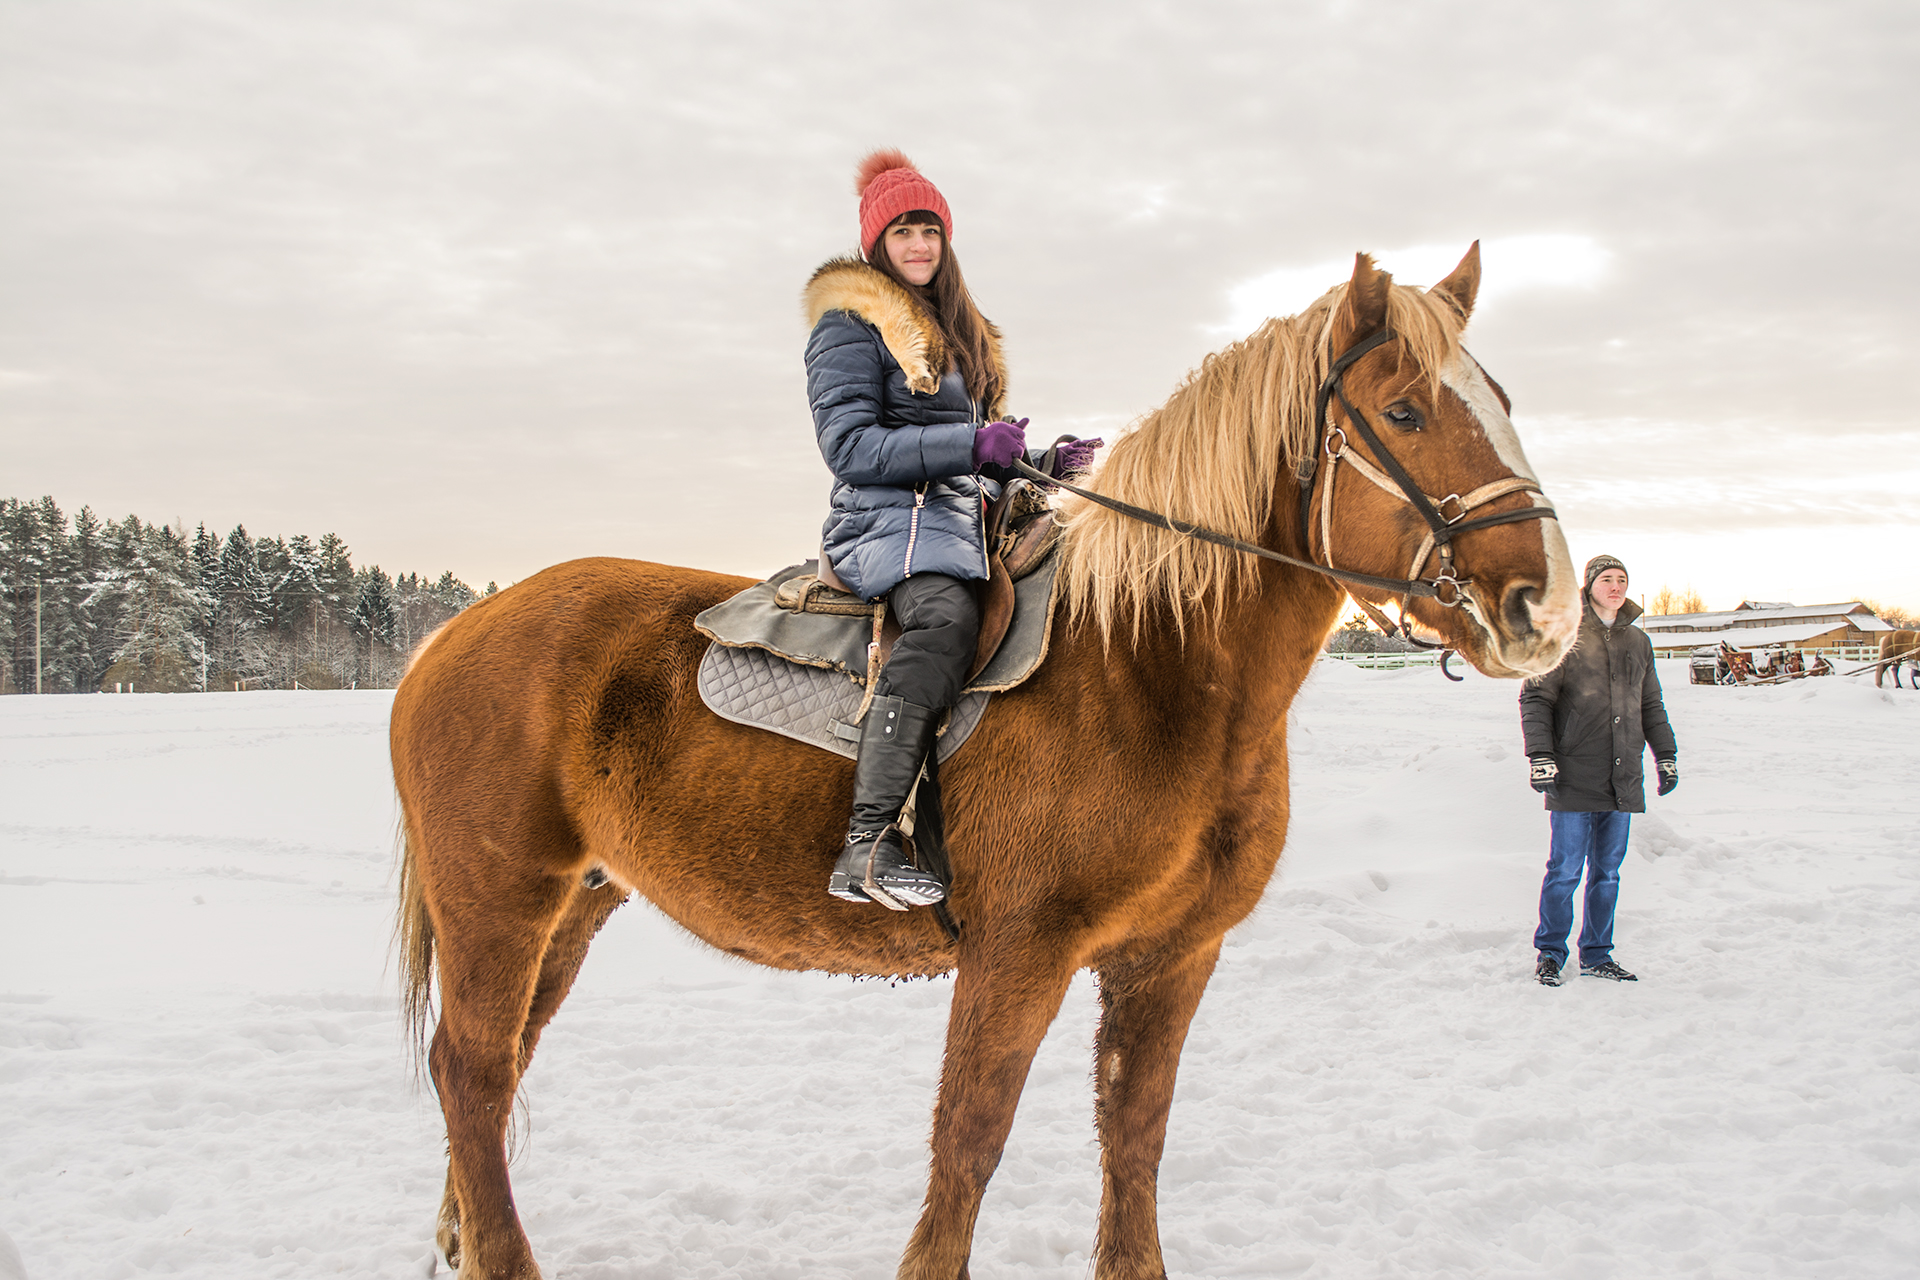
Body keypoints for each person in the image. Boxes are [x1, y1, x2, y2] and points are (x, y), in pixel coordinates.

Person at [803, 150, 1097, 908]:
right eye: (903, 231)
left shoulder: (953, 331)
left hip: (953, 518)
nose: (919, 245)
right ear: (877, 245)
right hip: (884, 523)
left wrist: (1035, 459)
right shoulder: (850, 328)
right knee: (946, 620)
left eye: (929, 229)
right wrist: (972, 446)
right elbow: (851, 448)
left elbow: (974, 454)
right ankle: (867, 842)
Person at [1520, 554, 1679, 985]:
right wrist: (1541, 756)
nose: (1616, 585)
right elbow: (1536, 699)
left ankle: (1596, 953)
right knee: (1565, 869)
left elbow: (1650, 705)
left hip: (1623, 775)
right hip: (1573, 771)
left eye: (1622, 579)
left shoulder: (1638, 642)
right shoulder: (1561, 633)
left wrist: (1665, 754)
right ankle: (1550, 953)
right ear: (1589, 585)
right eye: (1607, 578)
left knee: (1607, 874)